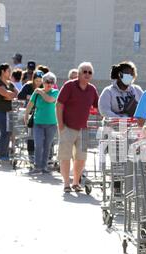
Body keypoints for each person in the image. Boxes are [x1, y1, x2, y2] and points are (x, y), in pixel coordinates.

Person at [57, 62, 99, 193]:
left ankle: (76, 182)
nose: (87, 74)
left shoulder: (92, 89)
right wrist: (61, 125)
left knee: (81, 158)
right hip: (67, 127)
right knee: (65, 156)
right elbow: (59, 105)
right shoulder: (69, 86)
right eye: (84, 71)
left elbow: (98, 106)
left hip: (84, 128)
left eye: (89, 72)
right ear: (79, 73)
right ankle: (66, 184)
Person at [24, 72, 59, 174]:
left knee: (47, 145)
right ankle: (37, 166)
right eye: (47, 81)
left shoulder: (55, 92)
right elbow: (30, 104)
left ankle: (44, 167)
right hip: (38, 123)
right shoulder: (37, 92)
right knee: (38, 144)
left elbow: (49, 100)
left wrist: (40, 92)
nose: (49, 84)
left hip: (51, 124)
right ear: (43, 82)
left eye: (52, 82)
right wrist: (26, 114)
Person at [0, 63, 18, 162]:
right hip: (0, 113)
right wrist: (9, 95)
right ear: (3, 71)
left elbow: (16, 93)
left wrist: (9, 95)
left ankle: (6, 153)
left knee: (8, 133)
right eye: (8, 71)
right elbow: (6, 94)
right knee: (4, 132)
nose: (10, 73)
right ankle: (1, 155)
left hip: (9, 112)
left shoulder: (10, 84)